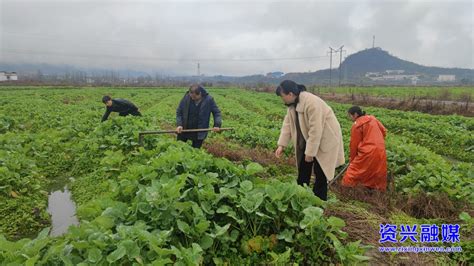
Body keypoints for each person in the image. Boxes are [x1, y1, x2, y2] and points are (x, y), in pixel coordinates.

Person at [274, 80, 345, 201]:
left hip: (325, 137)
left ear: (290, 94)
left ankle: (319, 201)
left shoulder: (311, 103)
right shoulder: (292, 105)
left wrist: (310, 152)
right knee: (303, 167)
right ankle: (301, 196)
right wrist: (281, 145)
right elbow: (287, 124)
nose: (282, 99)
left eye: (283, 96)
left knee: (320, 171)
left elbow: (316, 130)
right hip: (309, 138)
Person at [342, 106, 387, 191]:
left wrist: (352, 159)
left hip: (367, 152)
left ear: (355, 114)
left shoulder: (357, 125)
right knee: (376, 171)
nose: (350, 118)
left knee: (352, 172)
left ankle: (346, 190)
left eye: (350, 115)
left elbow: (354, 145)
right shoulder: (373, 119)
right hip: (381, 150)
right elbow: (384, 131)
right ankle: (374, 191)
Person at [175, 84, 222, 148]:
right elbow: (179, 112)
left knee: (195, 152)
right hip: (184, 130)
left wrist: (217, 125)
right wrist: (179, 124)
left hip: (199, 132)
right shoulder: (186, 97)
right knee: (178, 148)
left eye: (194, 97)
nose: (192, 98)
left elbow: (217, 113)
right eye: (191, 96)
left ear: (200, 93)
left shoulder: (209, 100)